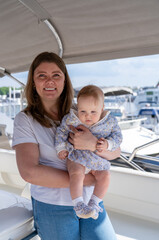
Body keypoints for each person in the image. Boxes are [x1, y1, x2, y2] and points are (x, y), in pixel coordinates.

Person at [12, 52, 120, 240]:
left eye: (56, 75)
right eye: (42, 75)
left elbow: (115, 152)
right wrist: (88, 180)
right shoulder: (25, 119)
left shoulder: (81, 111)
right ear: (33, 82)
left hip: (91, 201)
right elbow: (29, 172)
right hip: (52, 205)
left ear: (64, 80)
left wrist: (94, 145)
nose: (50, 81)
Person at [55, 85, 122, 220]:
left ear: (102, 109)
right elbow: (61, 131)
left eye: (93, 112)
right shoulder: (71, 119)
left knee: (105, 176)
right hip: (77, 156)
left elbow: (118, 137)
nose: (87, 116)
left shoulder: (110, 122)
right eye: (83, 111)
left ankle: (94, 203)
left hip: (96, 160)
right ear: (77, 108)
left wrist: (108, 144)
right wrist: (61, 148)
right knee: (76, 174)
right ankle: (78, 204)